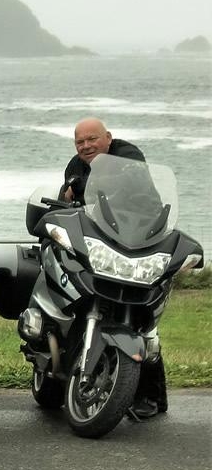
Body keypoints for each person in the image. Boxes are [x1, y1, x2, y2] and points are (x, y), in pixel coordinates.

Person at [60, 117, 167, 420]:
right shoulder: (75, 164)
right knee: (87, 309)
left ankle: (151, 395)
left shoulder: (128, 154)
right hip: (103, 245)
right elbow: (65, 197)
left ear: (108, 137)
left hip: (139, 241)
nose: (86, 146)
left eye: (92, 139)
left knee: (140, 320)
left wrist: (77, 190)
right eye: (80, 142)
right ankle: (72, 375)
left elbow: (121, 181)